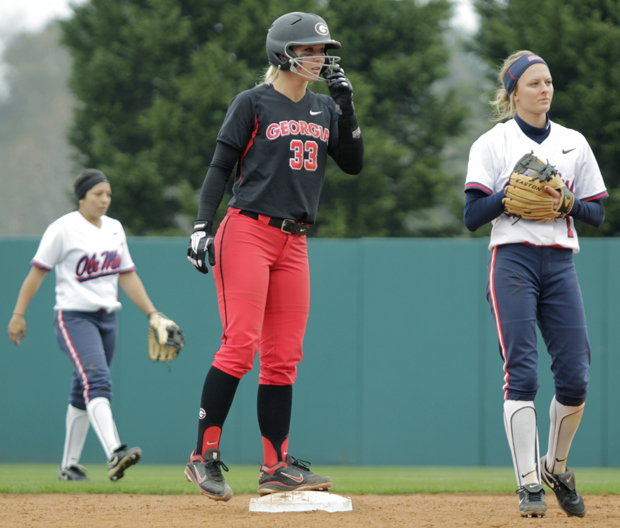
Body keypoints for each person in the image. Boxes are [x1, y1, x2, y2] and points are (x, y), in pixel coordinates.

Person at [185, 11, 363, 501]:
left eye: (322, 50)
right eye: (308, 49)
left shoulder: (325, 108)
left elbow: (353, 164)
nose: (319, 57)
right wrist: (202, 225)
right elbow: (220, 168)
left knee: (283, 358)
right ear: (283, 52)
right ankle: (203, 455)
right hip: (248, 230)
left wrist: (346, 109)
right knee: (241, 343)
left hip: (295, 240)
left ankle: (275, 466)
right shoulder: (253, 102)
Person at [464, 51, 607, 518]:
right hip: (513, 260)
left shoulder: (573, 142)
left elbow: (597, 212)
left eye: (548, 81)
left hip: (561, 262)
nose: (544, 89)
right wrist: (506, 196)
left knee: (575, 377)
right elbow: (471, 216)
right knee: (521, 372)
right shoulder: (494, 143)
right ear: (512, 93)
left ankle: (557, 468)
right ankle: (528, 484)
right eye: (533, 83)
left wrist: (568, 204)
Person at [8, 169, 164, 482]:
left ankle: (69, 466)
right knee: (98, 380)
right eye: (97, 194)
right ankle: (115, 452)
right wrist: (18, 314)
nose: (104, 199)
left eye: (108, 194)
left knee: (84, 390)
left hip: (108, 318)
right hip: (74, 317)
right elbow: (37, 273)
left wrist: (152, 313)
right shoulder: (62, 228)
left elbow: (127, 275)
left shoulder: (115, 228)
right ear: (82, 197)